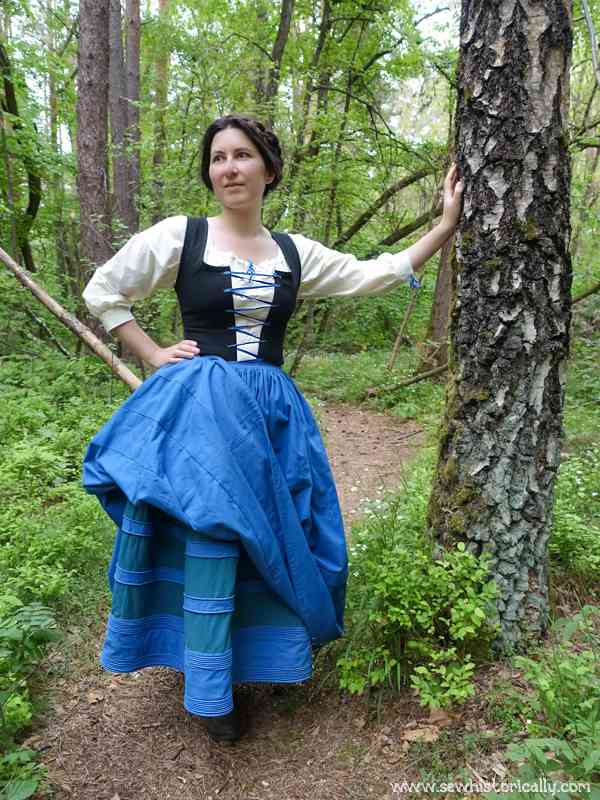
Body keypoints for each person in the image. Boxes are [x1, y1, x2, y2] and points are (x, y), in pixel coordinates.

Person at [82, 114, 463, 743]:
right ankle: (209, 689)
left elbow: (372, 274)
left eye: (241, 156)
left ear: (269, 169)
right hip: (200, 411)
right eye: (217, 158)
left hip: (270, 414)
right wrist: (150, 352)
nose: (227, 168)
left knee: (281, 533)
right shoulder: (183, 235)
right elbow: (104, 290)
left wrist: (444, 228)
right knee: (211, 534)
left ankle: (258, 658)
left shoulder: (294, 252)